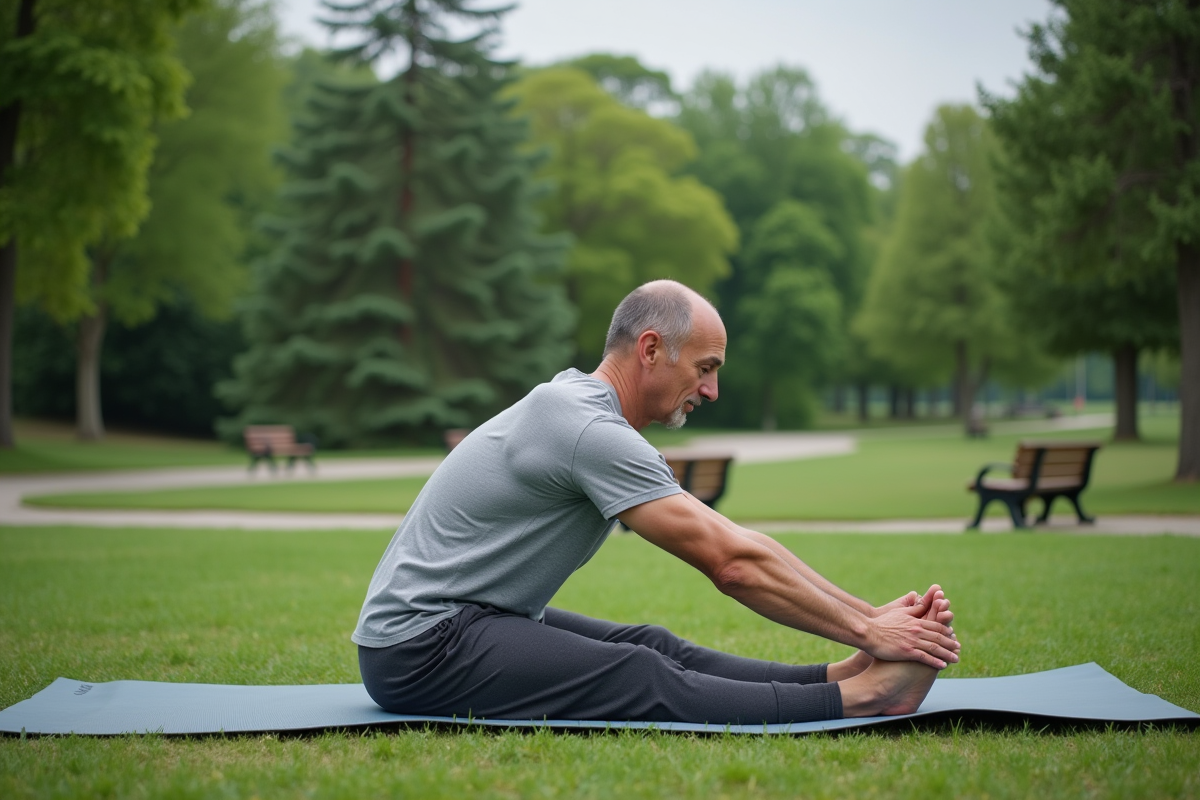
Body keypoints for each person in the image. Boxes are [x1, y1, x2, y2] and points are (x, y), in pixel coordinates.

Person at [353, 280, 961, 724]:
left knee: (651, 643)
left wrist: (868, 623)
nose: (712, 390)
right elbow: (732, 565)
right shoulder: (587, 429)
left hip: (467, 621)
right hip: (420, 648)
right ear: (650, 350)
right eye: (705, 367)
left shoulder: (579, 408)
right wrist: (870, 628)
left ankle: (837, 677)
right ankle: (864, 697)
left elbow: (740, 542)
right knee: (638, 673)